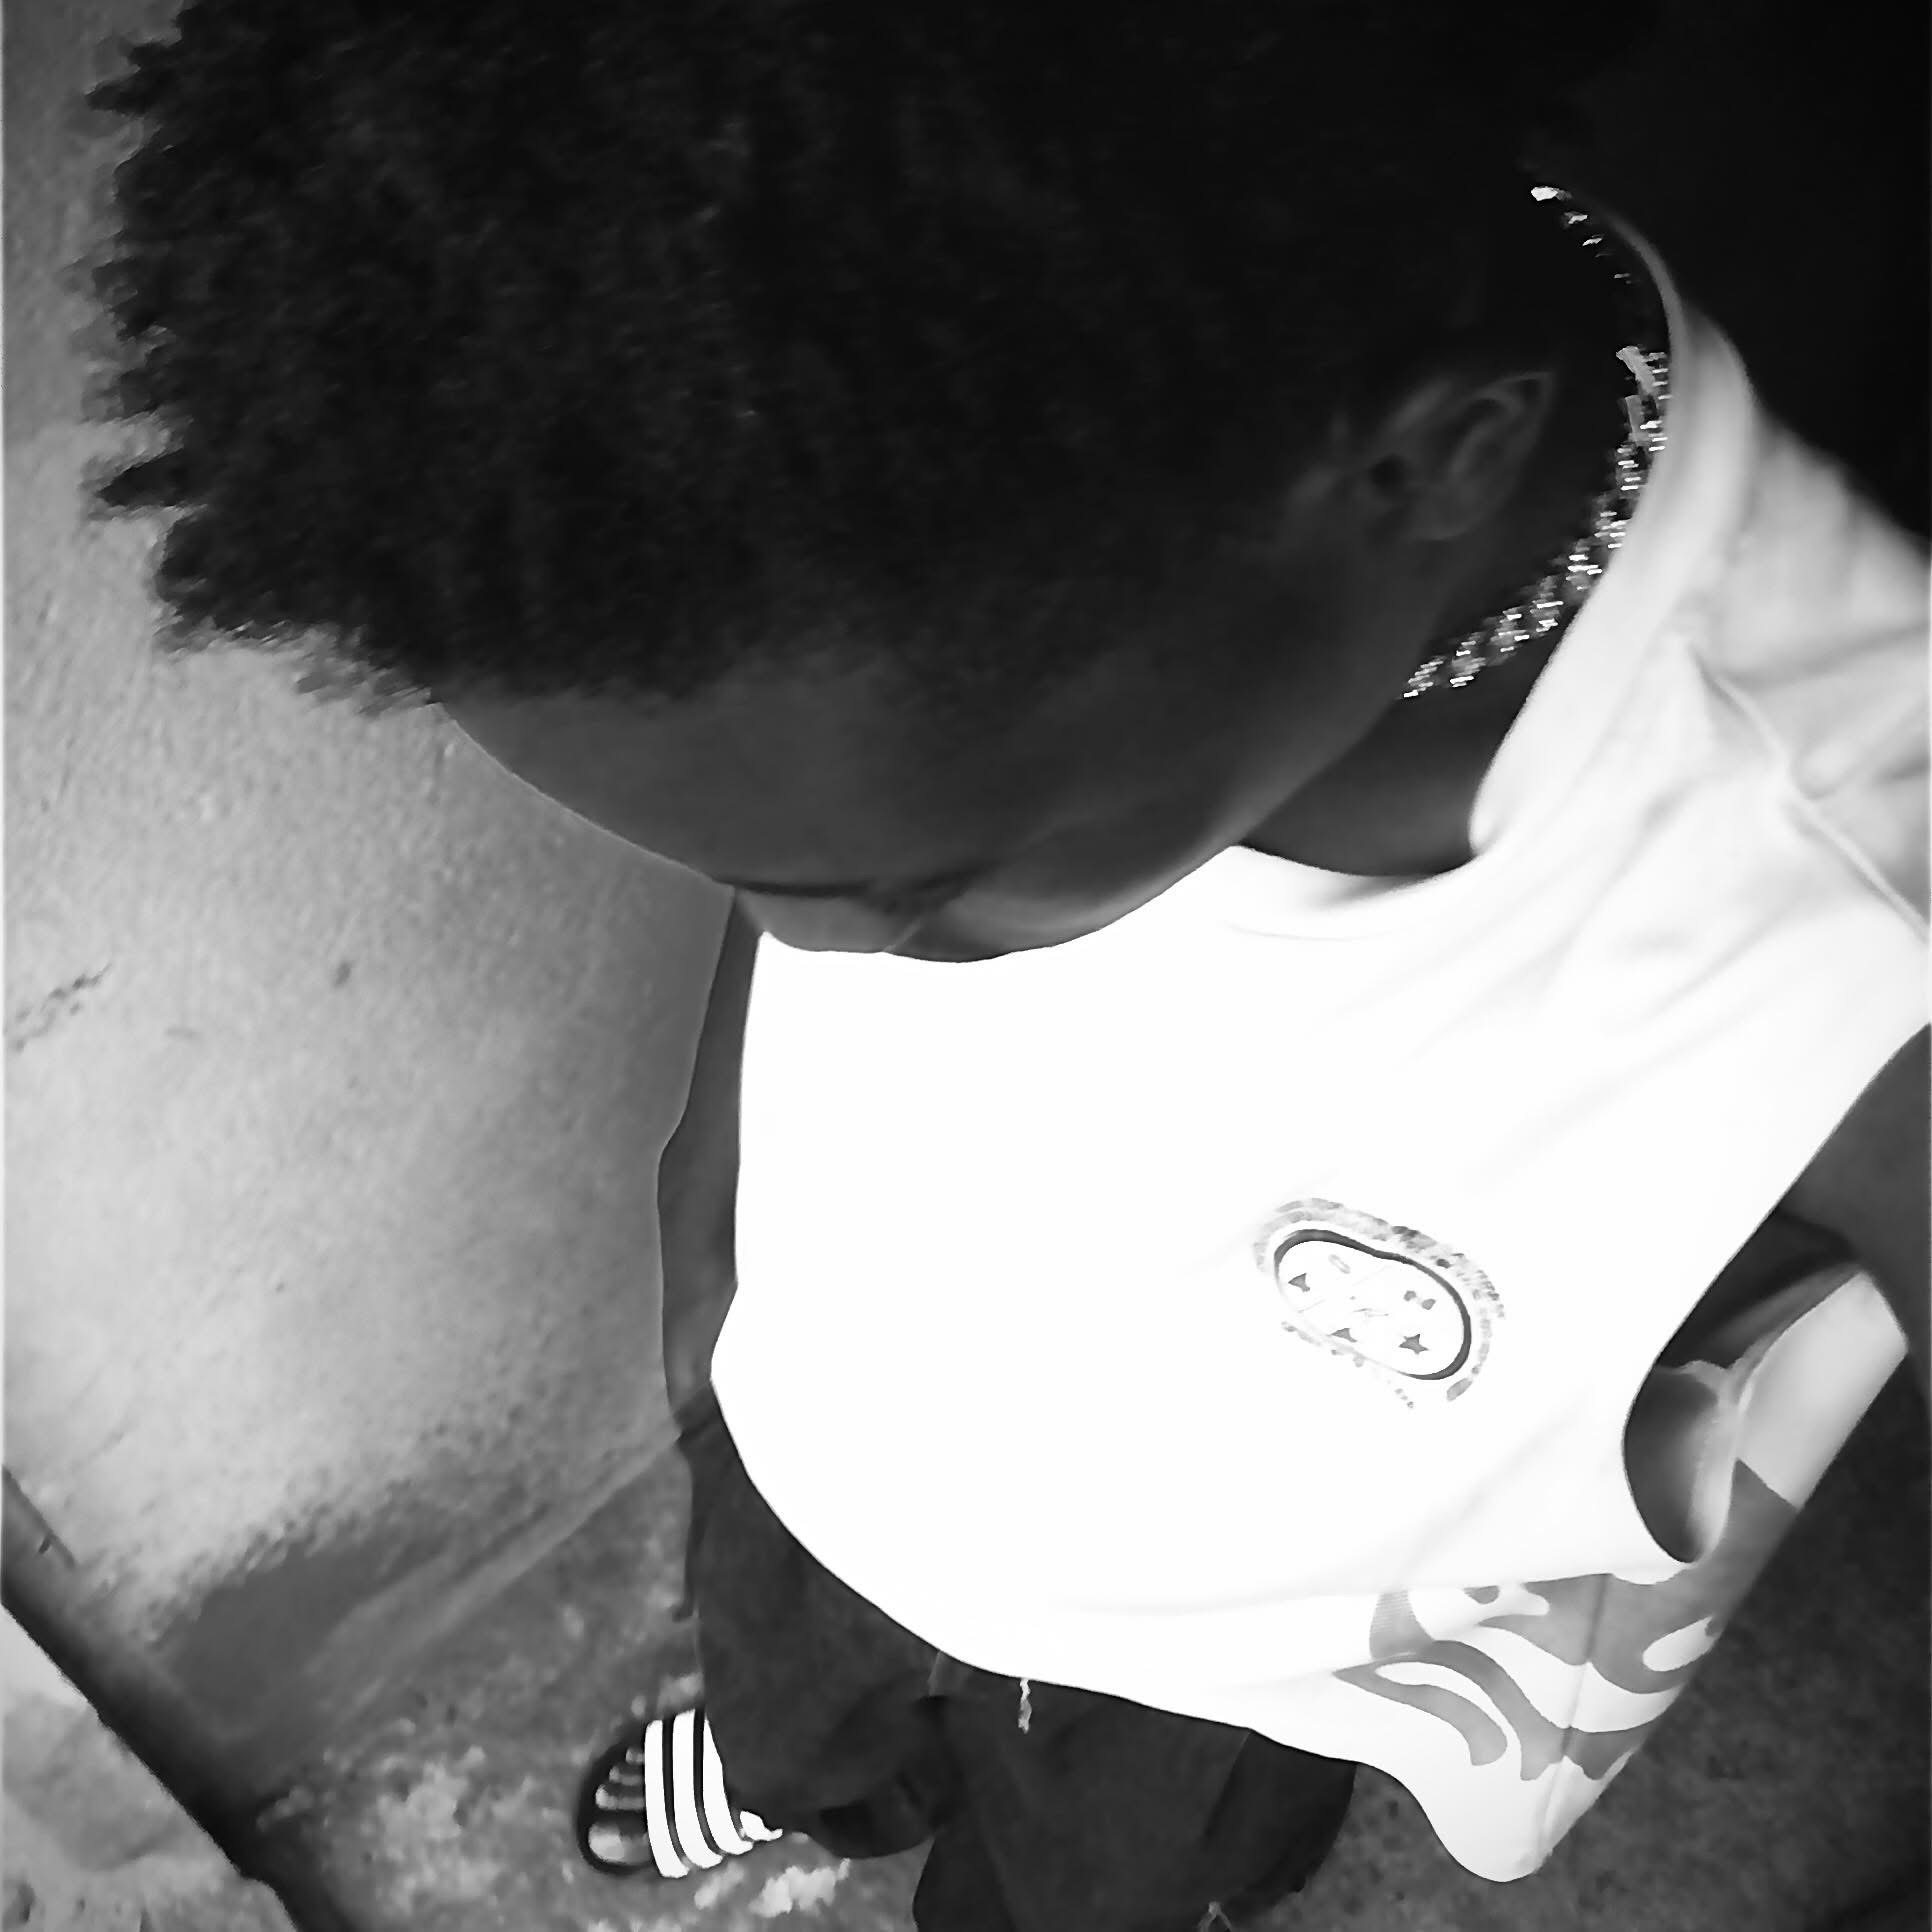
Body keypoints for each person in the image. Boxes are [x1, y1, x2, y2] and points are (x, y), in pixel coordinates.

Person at [84, 3, 1927, 1927]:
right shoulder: (931, 464)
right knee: (803, 1712)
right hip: (827, 1429)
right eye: (741, 881)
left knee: (1069, 1888)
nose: (805, 951)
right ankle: (802, 1774)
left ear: (1424, 468)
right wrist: (717, 1177)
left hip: (1201, 1681)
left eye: (908, 892)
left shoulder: (1851, 928)